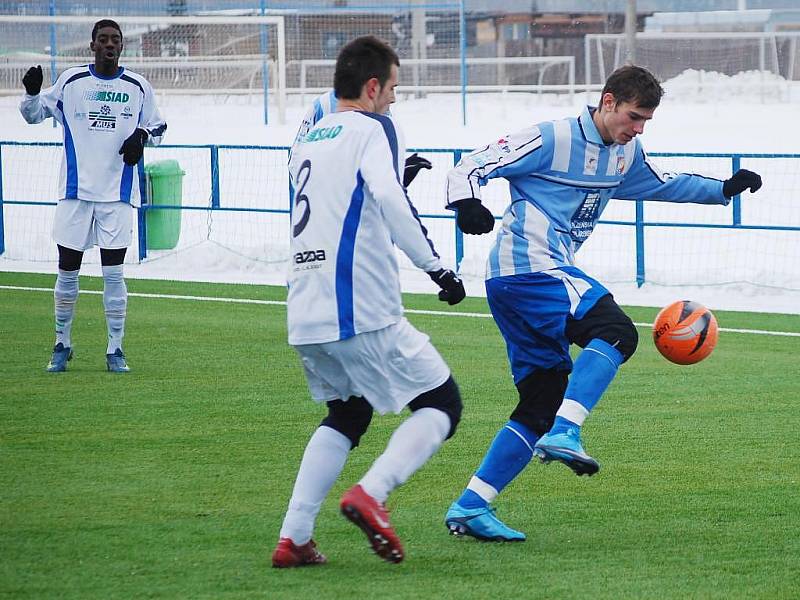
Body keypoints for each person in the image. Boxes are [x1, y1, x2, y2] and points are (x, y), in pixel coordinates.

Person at [441, 65, 763, 542]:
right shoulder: (550, 137)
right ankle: (566, 434)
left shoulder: (624, 153)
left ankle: (471, 505)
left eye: (646, 122)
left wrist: (722, 189)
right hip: (531, 268)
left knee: (541, 400)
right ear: (607, 101)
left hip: (520, 284)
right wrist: (466, 203)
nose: (637, 129)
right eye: (633, 117)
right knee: (615, 330)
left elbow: (662, 183)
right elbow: (471, 165)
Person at [271, 35, 466, 568]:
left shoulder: (310, 136)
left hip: (305, 307)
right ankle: (372, 494)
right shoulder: (373, 126)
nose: (395, 100)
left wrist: (388, 181)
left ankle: (294, 538)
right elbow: (390, 200)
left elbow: (341, 198)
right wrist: (438, 268)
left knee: (348, 412)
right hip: (357, 304)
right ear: (372, 86)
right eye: (394, 88)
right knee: (441, 403)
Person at [19, 19, 166, 373]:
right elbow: (34, 115)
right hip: (75, 194)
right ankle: (61, 342)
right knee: (67, 272)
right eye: (103, 40)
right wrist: (32, 94)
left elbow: (159, 126)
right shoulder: (71, 82)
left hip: (116, 197)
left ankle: (115, 348)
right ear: (92, 46)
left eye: (115, 40)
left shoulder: (137, 86)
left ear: (122, 47)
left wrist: (141, 136)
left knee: (113, 275)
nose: (110, 45)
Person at [291, 88, 432, 189]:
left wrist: (398, 175)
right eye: (391, 87)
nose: (393, 98)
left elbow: (379, 173)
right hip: (329, 218)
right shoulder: (324, 104)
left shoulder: (383, 111)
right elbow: (296, 161)